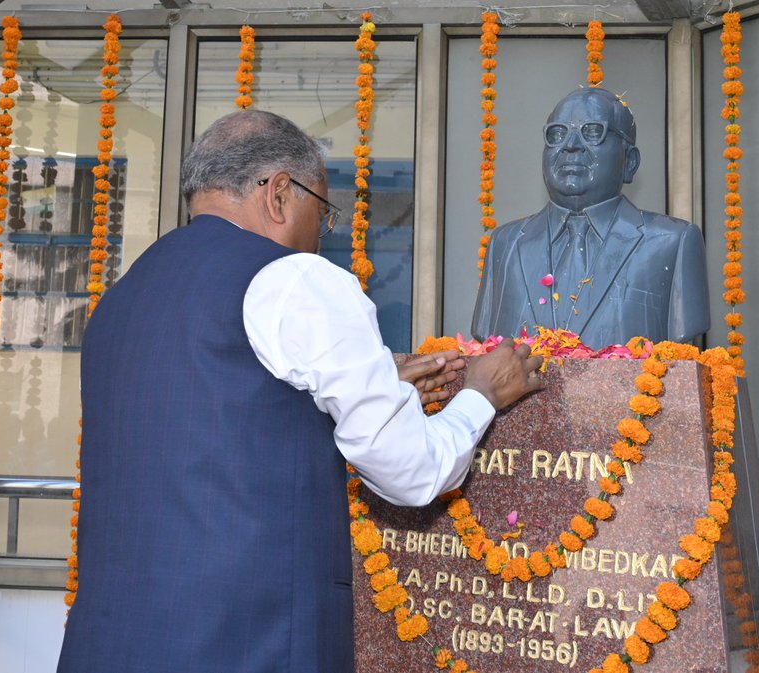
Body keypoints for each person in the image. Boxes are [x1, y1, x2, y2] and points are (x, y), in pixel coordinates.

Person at [56, 109, 543, 673]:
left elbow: (211, 412)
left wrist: (373, 380)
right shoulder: (296, 279)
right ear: (281, 193)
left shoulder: (123, 296)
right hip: (247, 642)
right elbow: (412, 473)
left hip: (112, 642)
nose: (320, 232)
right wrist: (481, 393)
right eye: (324, 210)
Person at [471, 87, 710, 346]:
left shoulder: (673, 242)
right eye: (557, 134)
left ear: (629, 162)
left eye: (593, 132)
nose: (571, 146)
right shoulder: (506, 244)